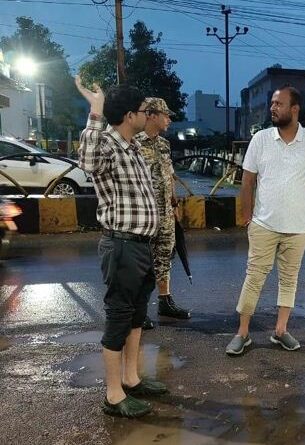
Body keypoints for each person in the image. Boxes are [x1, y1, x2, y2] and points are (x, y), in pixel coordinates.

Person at [75, 76, 167, 418]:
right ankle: (113, 395)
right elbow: (87, 162)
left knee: (136, 316)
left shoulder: (133, 146)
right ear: (129, 115)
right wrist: (96, 110)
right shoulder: (109, 146)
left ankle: (131, 378)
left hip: (141, 245)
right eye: (143, 110)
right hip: (122, 245)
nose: (148, 115)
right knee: (118, 317)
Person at [225, 86, 305, 356]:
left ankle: (281, 330)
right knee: (254, 278)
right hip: (264, 224)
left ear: (294, 109)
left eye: (279, 104)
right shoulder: (261, 139)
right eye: (272, 103)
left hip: (298, 227)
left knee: (289, 279)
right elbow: (247, 181)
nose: (272, 108)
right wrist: (247, 218)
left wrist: (303, 180)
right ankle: (242, 333)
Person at [136, 97, 191, 329]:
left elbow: (169, 175)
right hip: (144, 214)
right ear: (150, 115)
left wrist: (174, 203)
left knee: (165, 256)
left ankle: (165, 300)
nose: (169, 119)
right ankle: (138, 309)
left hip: (166, 212)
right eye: (165, 115)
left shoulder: (164, 144)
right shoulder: (133, 143)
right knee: (142, 261)